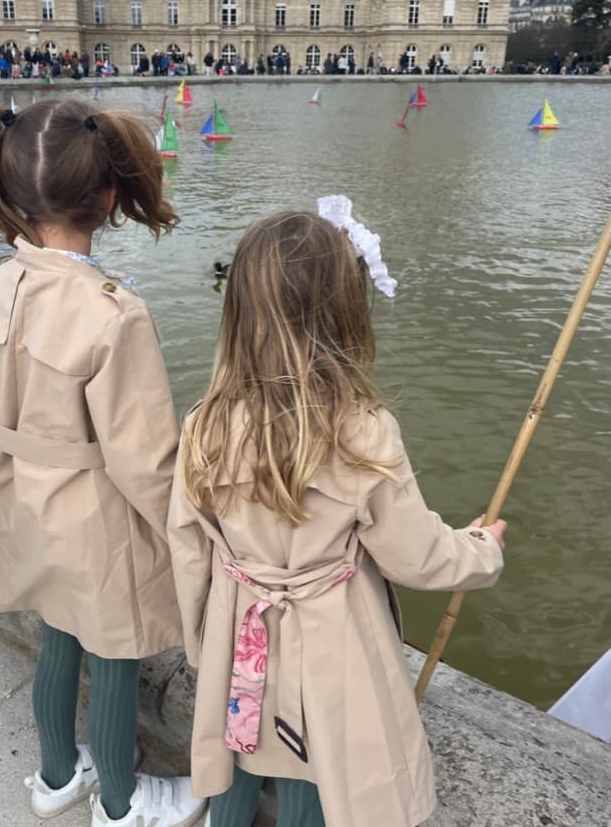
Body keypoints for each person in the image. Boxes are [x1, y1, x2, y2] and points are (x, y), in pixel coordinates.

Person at [167, 201, 507, 827]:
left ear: (238, 310)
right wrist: (483, 546)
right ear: (346, 312)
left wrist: (203, 643)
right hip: (331, 641)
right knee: (309, 768)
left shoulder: (204, 424)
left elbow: (187, 548)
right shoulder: (363, 433)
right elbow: (418, 555)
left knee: (239, 752)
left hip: (239, 624)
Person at [0, 96, 205, 827]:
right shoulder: (113, 312)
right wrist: (190, 532)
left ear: (9, 189)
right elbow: (146, 458)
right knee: (116, 650)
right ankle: (122, 804)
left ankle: (57, 775)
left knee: (58, 636)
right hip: (95, 506)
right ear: (110, 196)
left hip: (23, 495)